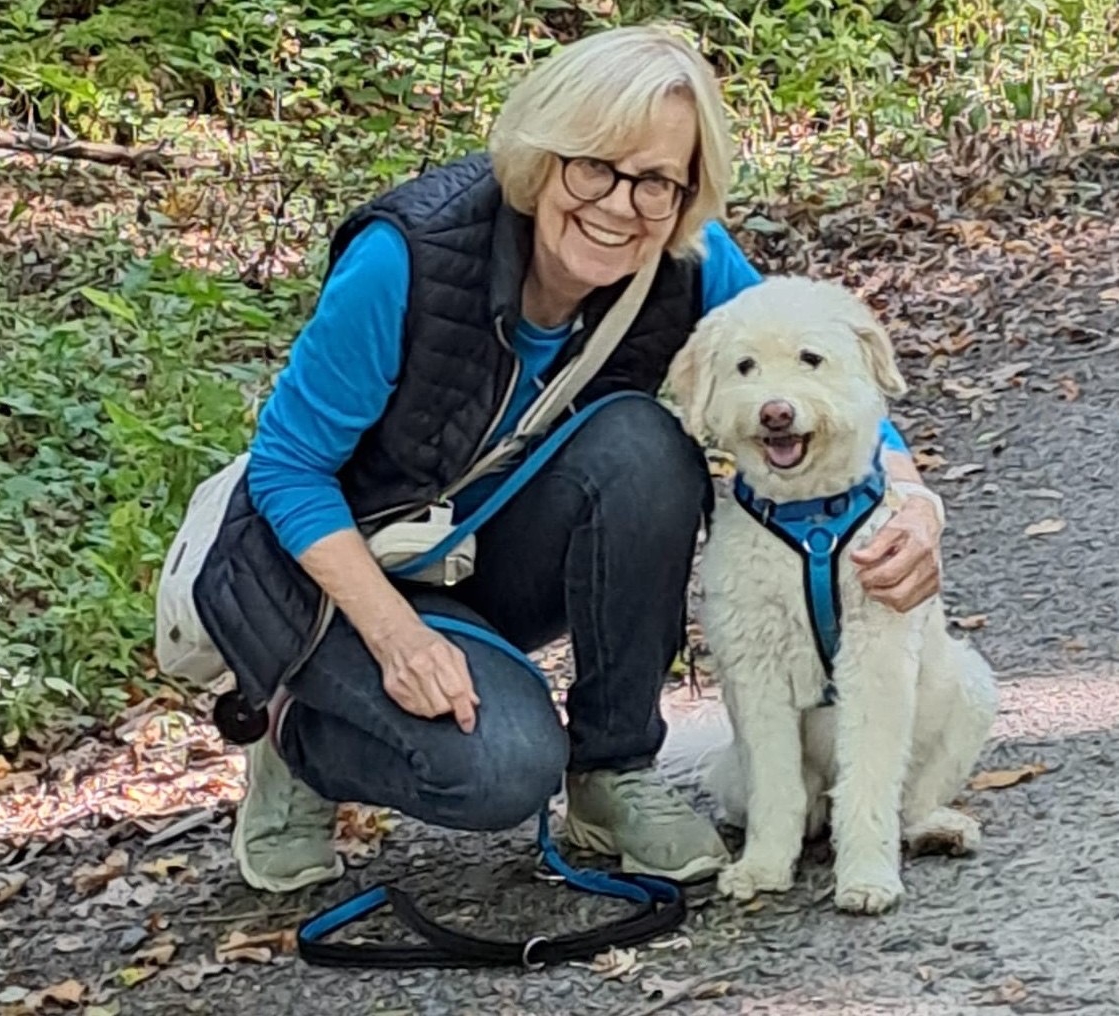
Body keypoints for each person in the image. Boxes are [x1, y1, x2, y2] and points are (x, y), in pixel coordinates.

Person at [192, 24, 945, 894]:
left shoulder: (686, 255)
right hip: (331, 578)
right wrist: (396, 637)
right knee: (501, 772)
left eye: (655, 180)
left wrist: (910, 499)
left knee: (643, 444)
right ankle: (299, 736)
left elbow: (819, 362)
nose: (621, 205)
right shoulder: (406, 256)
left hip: (479, 554)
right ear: (541, 155)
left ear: (686, 193)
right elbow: (286, 469)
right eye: (594, 166)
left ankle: (612, 772)